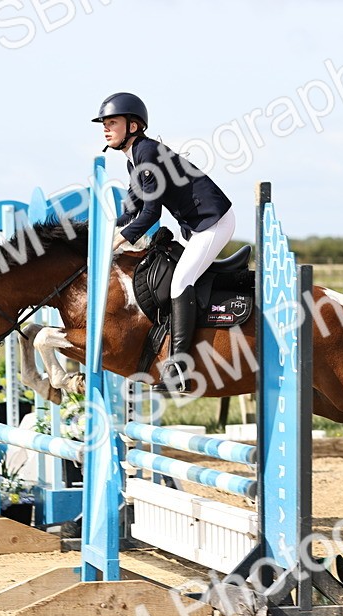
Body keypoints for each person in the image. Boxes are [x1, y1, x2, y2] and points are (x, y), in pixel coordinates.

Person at [92, 92, 235, 394]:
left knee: (180, 282)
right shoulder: (135, 160)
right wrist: (102, 235)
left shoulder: (148, 153)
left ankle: (179, 369)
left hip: (214, 221)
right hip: (196, 226)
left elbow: (150, 213)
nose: (106, 129)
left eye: (112, 122)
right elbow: (131, 212)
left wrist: (118, 241)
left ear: (133, 126)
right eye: (104, 123)